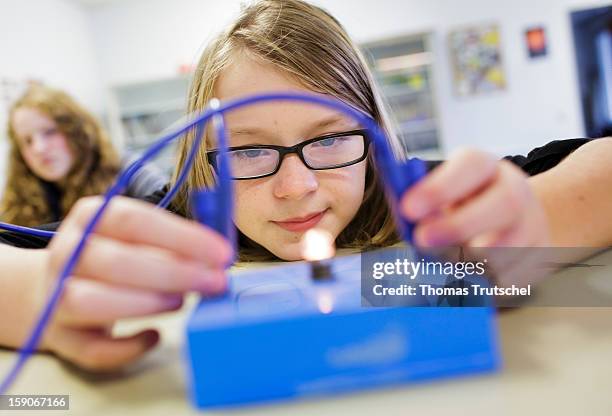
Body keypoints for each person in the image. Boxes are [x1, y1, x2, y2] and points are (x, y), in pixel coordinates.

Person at [0, 0, 611, 371]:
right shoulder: (170, 230)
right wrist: (33, 296)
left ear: (374, 141)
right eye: (249, 149)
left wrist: (542, 217)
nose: (296, 187)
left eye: (328, 139)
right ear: (205, 158)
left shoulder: (430, 206)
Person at [0, 84, 166, 227]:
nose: (39, 148)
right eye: (27, 141)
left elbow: (177, 207)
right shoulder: (17, 196)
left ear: (77, 131)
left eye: (50, 132)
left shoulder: (127, 168)